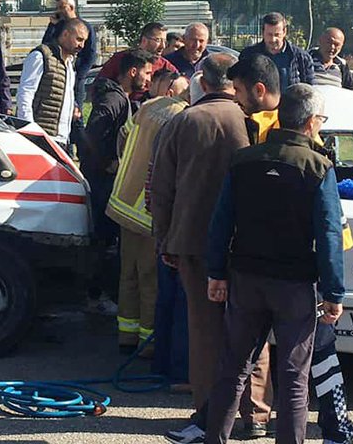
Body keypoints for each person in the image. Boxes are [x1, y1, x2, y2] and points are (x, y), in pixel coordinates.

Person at [203, 83, 346, 444]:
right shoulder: (318, 167)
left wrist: (216, 272)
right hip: (295, 285)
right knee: (294, 376)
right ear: (312, 122)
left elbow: (221, 222)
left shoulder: (245, 160)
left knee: (233, 369)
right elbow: (329, 233)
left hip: (246, 278)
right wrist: (333, 292)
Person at [150, 53, 270, 443]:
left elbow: (161, 190)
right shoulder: (251, 122)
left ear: (202, 81)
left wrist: (164, 238)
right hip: (246, 244)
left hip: (194, 242)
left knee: (204, 333)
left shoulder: (182, 121)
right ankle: (257, 415)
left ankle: (209, 414)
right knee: (252, 329)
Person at [108, 68, 189, 353]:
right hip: (146, 211)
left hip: (122, 201)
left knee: (127, 273)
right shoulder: (181, 117)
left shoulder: (148, 107)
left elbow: (122, 138)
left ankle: (126, 336)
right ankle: (148, 343)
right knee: (149, 278)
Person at [81, 49, 156, 316]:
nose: (149, 79)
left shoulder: (121, 98)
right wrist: (107, 163)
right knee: (105, 240)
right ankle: (96, 295)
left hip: (105, 179)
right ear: (133, 72)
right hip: (102, 182)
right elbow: (91, 136)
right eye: (147, 73)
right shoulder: (113, 100)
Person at [16, 18, 88, 146]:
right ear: (65, 34)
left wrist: (73, 107)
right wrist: (29, 129)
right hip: (41, 136)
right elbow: (25, 93)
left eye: (84, 41)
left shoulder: (70, 64)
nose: (82, 45)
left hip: (62, 138)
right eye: (79, 39)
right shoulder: (41, 56)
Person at [41, 0, 97, 114]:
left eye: (62, 7)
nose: (59, 11)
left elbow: (91, 53)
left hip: (76, 74)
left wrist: (80, 74)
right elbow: (45, 45)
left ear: (71, 7)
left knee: (76, 113)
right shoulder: (58, 26)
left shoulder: (85, 27)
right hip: (59, 72)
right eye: (57, 8)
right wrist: (52, 25)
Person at [241, 12, 315, 90]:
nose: (273, 39)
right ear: (262, 32)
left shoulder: (302, 57)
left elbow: (309, 91)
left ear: (284, 32)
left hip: (290, 101)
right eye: (269, 34)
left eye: (277, 35)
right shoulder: (248, 56)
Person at [97, 22, 178, 92]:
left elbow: (179, 81)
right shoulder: (121, 58)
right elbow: (100, 84)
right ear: (144, 40)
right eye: (158, 40)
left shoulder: (164, 65)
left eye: (165, 42)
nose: (163, 46)